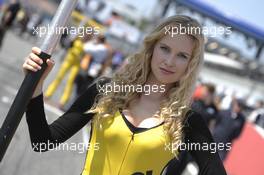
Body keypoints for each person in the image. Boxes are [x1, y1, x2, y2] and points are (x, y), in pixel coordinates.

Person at [23, 15, 227, 174]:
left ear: (190, 65)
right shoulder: (106, 91)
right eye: (165, 48)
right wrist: (36, 87)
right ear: (152, 47)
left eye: (182, 56)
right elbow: (43, 141)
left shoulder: (187, 120)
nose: (170, 61)